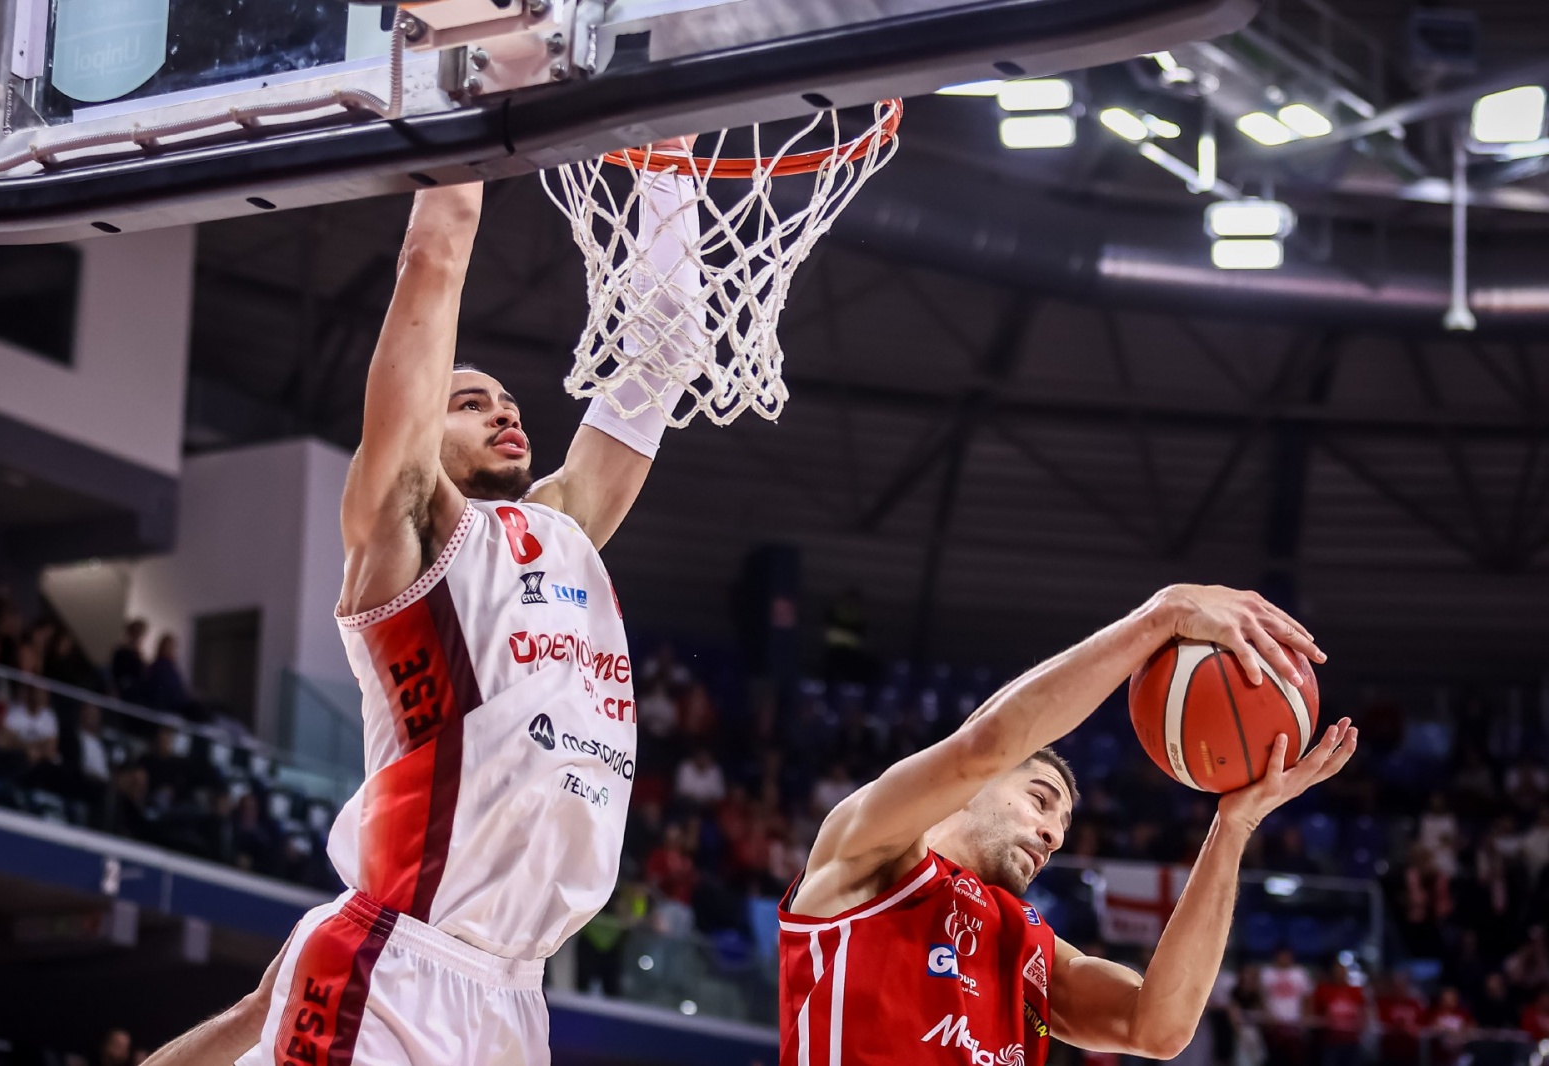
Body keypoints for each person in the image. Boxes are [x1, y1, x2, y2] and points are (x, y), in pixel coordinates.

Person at [150, 144, 708, 1066]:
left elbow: (666, 347)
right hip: (400, 959)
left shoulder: (563, 529)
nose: (503, 412)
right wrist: (480, 102)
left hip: (517, 991)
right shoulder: (405, 533)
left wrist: (668, 165)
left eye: (508, 401)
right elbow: (434, 254)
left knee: (256, 1019)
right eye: (469, 402)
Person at [778, 584, 1353, 1065]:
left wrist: (1234, 826)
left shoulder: (1028, 945)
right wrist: (1163, 616)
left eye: (1064, 824)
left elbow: (1159, 1027)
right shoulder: (866, 852)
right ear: (972, 790)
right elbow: (982, 748)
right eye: (1040, 799)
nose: (1054, 835)